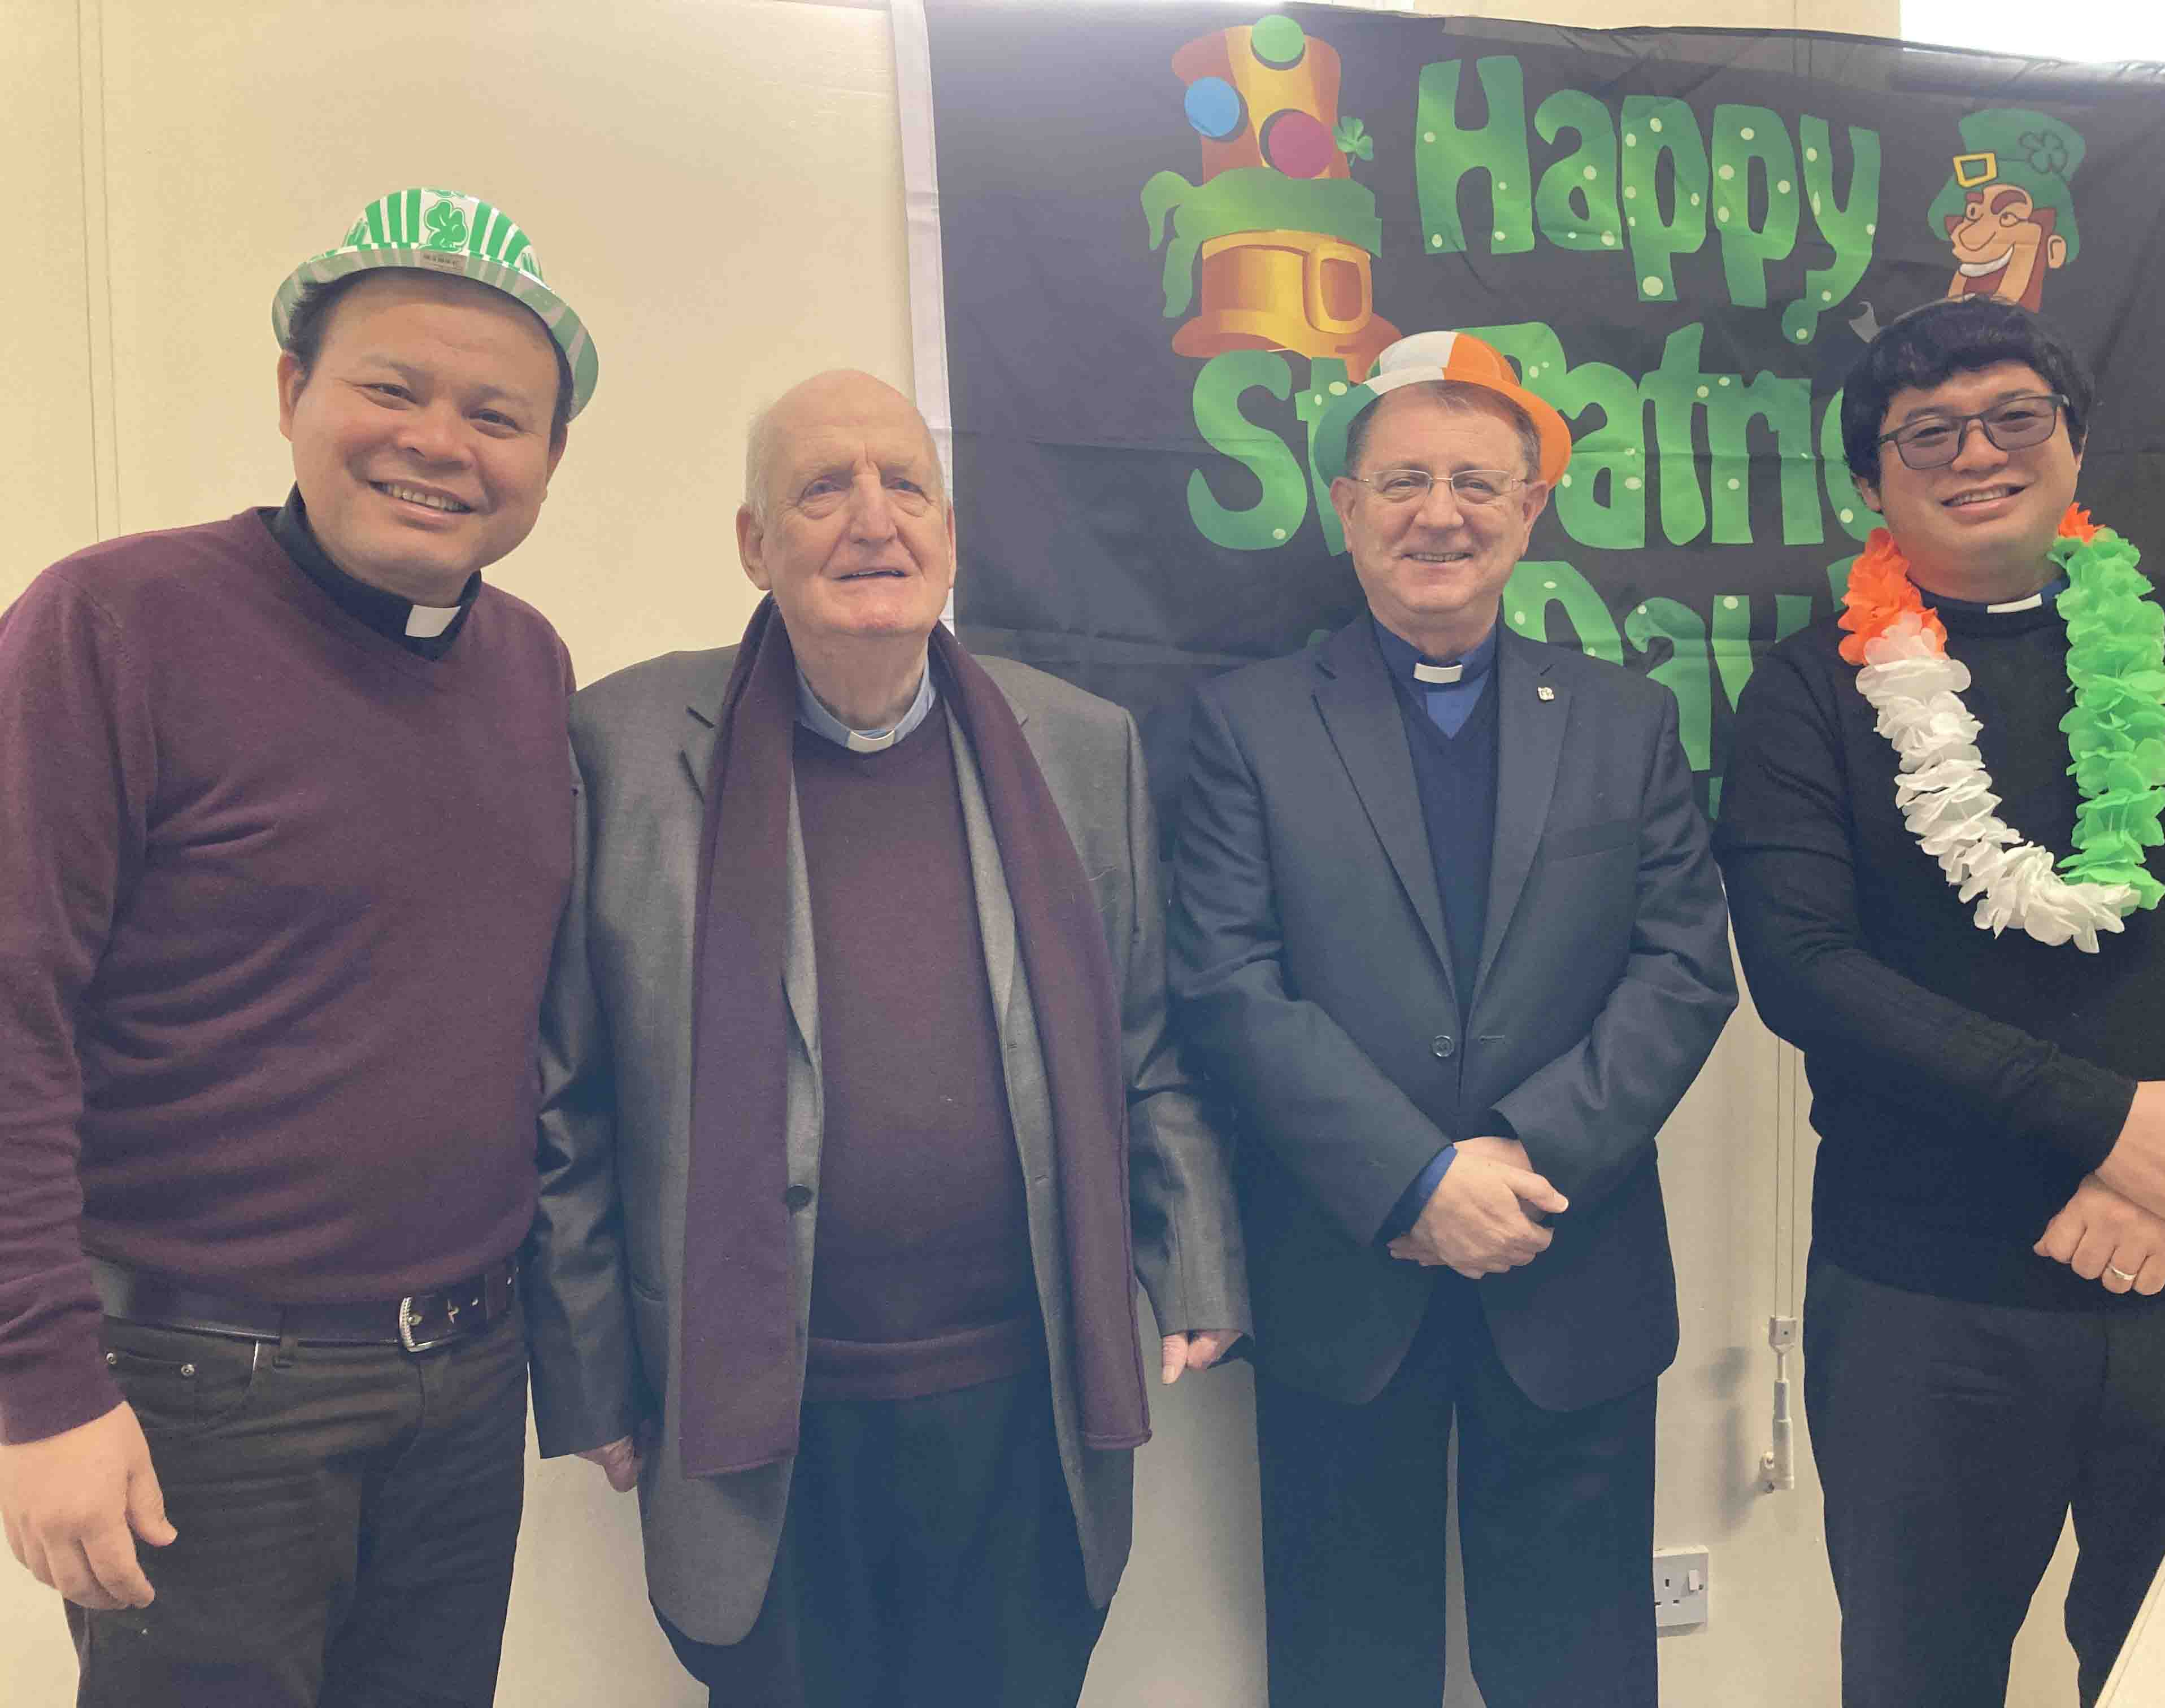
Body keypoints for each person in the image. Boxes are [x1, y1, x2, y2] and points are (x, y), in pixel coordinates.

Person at [520, 368, 1247, 1707]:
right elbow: (566, 1098)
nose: (873, 519)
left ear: (949, 535)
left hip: (1022, 1403)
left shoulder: (1079, 747)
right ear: (755, 544)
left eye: (905, 484)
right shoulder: (623, 747)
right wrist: (588, 1376)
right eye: (822, 489)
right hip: (759, 1413)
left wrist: (1191, 1256)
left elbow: (1146, 1047)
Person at [0, 187, 597, 1706]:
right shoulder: (113, 626)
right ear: (291, 392)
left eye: (497, 416)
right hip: (203, 1396)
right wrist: (40, 1388)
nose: (439, 442)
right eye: (393, 388)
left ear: (549, 460)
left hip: (468, 1383)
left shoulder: (530, 670)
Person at [1715, 294, 2165, 1707]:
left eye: (2015, 416)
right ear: (1873, 484)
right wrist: (2107, 1124)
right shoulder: (1808, 689)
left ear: (2076, 442)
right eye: (1930, 433)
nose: (1978, 453)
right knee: (1920, 1680)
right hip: (1929, 1301)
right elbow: (1805, 970)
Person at [1169, 330, 1736, 1707]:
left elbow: (1683, 969)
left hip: (1570, 1270)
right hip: (1343, 1277)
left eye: (1478, 483)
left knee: (1581, 1677)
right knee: (1346, 1675)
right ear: (1346, 505)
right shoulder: (1247, 725)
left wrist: (1522, 1159)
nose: (1441, 514)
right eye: (1404, 480)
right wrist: (1414, 1178)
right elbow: (1227, 981)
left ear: (1530, 510)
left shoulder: (1626, 722)